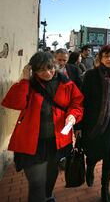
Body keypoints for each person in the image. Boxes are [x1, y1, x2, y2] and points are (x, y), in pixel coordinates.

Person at [1, 51, 84, 202]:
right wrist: (25, 80)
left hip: (57, 141)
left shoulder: (67, 84)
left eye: (50, 68)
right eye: (41, 70)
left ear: (55, 66)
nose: (47, 73)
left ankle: (48, 196)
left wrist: (73, 115)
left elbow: (77, 104)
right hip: (32, 143)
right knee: (37, 184)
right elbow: (14, 103)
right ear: (33, 70)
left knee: (51, 176)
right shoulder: (28, 85)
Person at [76, 44, 110, 202]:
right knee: (92, 154)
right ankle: (90, 168)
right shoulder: (90, 75)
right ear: (100, 58)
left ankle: (105, 189)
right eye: (106, 56)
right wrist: (78, 126)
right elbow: (82, 101)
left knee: (109, 157)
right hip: (93, 124)